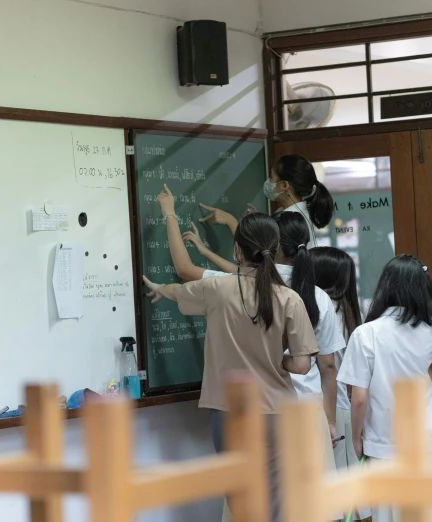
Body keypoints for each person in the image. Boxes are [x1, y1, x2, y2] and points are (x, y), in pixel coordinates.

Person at [142, 211, 318, 522]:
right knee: (278, 500)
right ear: (274, 250)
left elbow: (176, 289)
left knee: (239, 499)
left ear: (237, 250)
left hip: (228, 411)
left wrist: (159, 287)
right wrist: (278, 360)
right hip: (278, 411)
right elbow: (303, 364)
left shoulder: (217, 289)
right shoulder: (290, 298)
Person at [337, 255, 432, 522]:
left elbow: (358, 398)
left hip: (385, 439)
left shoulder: (366, 334)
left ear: (386, 287)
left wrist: (357, 438)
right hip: (428, 437)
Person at [309, 247, 371, 522]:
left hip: (330, 409)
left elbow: (327, 368)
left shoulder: (320, 311)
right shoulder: (348, 313)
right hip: (346, 409)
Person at [193, 154, 335, 247]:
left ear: (284, 185)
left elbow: (260, 258)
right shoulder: (290, 213)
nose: (268, 182)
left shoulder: (292, 221)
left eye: (272, 178)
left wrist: (231, 222)